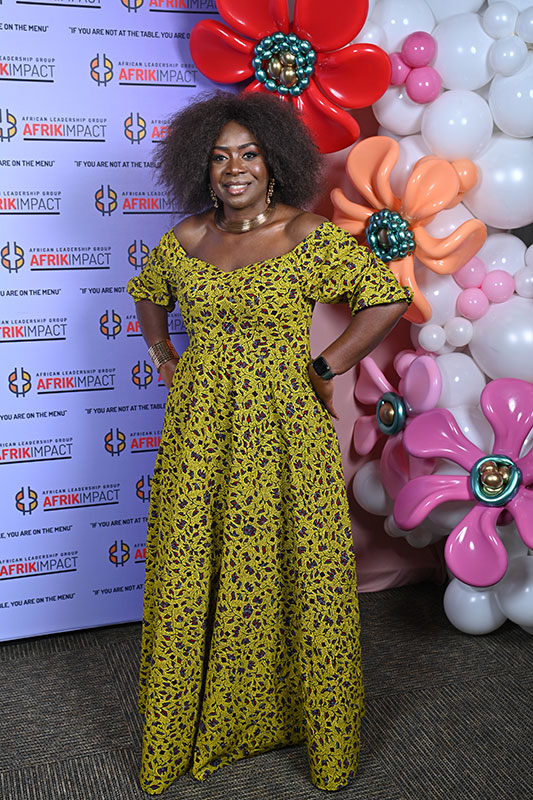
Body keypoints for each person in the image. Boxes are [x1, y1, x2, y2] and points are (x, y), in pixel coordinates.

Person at [127, 91, 412, 795]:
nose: (234, 168)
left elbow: (385, 297)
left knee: (296, 566)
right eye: (219, 156)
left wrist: (327, 365)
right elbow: (148, 291)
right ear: (201, 166)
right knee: (195, 565)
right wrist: (164, 354)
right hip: (200, 432)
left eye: (248, 153)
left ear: (273, 161)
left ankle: (304, 724)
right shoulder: (187, 239)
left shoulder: (305, 234)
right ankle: (189, 724)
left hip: (285, 430)